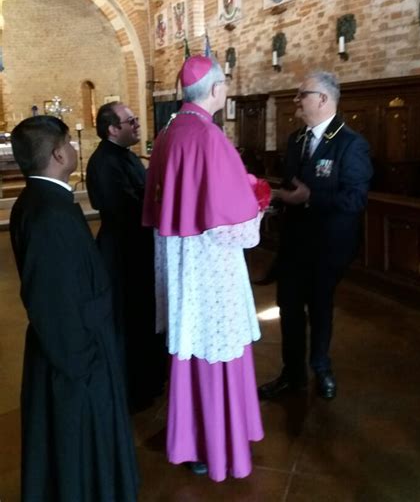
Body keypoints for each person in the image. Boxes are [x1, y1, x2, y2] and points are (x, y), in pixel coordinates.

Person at [143, 55, 264, 482]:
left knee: (192, 351)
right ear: (214, 90)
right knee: (217, 353)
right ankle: (219, 446)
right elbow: (240, 227)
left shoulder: (168, 132)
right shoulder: (210, 137)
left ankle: (192, 443)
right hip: (211, 267)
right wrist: (258, 200)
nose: (226, 90)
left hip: (181, 263)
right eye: (225, 84)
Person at [9, 116, 139, 502]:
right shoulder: (49, 213)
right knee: (76, 447)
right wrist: (83, 366)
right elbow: (50, 300)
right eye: (70, 142)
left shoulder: (45, 200)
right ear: (58, 153)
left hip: (82, 343)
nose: (75, 148)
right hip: (74, 359)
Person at [259, 71, 372, 401]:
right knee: (289, 309)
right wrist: (275, 203)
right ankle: (292, 373)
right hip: (294, 245)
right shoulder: (297, 140)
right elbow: (293, 186)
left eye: (301, 95)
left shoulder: (351, 144)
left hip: (328, 247)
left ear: (323, 99)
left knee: (320, 308)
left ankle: (321, 367)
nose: (296, 101)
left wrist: (310, 198)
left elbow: (355, 200)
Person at [86, 102, 165, 412]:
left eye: (135, 119)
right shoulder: (103, 163)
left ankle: (149, 378)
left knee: (143, 315)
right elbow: (128, 207)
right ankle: (134, 387)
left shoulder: (126, 156)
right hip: (122, 252)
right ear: (112, 129)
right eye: (130, 121)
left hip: (137, 245)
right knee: (129, 318)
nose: (137, 125)